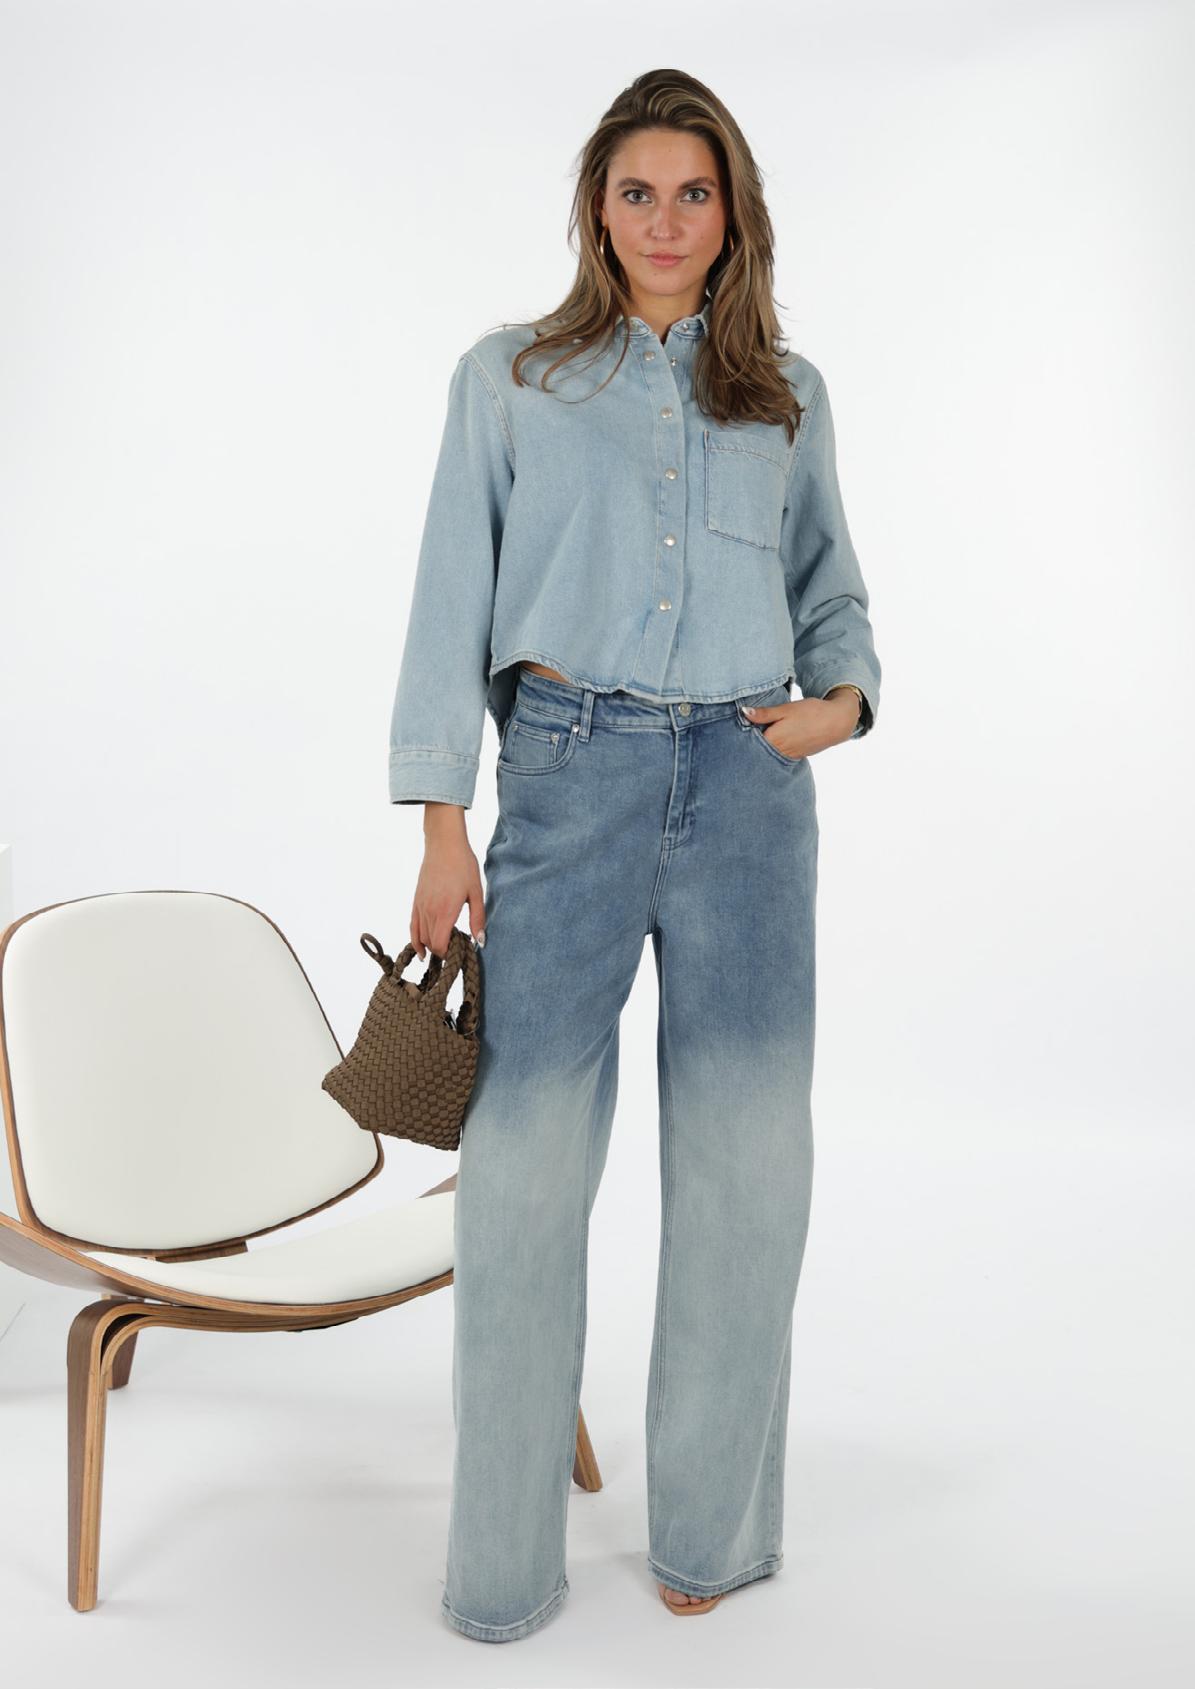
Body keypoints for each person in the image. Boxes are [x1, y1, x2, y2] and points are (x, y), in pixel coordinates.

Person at [387, 67, 881, 1643]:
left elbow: (834, 591)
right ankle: (500, 1567)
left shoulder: (786, 393)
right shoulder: (511, 379)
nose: (666, 221)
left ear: (733, 214)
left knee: (747, 1171)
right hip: (567, 778)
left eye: (694, 192)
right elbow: (449, 597)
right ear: (596, 212)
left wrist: (833, 709)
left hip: (747, 787)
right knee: (521, 1179)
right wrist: (443, 822)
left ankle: (711, 1539)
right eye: (637, 192)